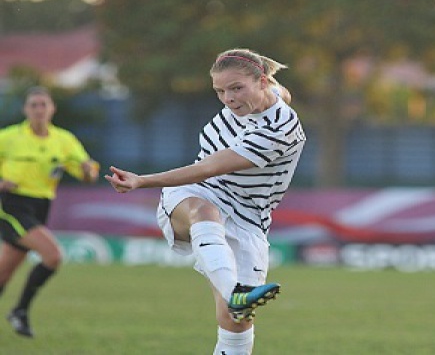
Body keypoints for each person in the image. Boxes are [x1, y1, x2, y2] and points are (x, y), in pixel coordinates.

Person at [105, 48, 306, 354]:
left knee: (236, 323)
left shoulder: (279, 130)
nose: (228, 99)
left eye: (236, 88)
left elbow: (211, 165)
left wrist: (142, 180)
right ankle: (234, 293)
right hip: (199, 191)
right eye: (220, 91)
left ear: (262, 81)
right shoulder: (268, 92)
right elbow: (205, 175)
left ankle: (235, 300)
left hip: (249, 219)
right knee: (203, 211)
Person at [0, 86, 99, 338]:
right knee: (52, 255)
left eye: (43, 104)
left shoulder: (64, 140)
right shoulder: (9, 137)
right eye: (34, 105)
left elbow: (87, 173)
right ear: (25, 110)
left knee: (3, 272)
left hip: (41, 206)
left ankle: (18, 313)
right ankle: (20, 310)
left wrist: (88, 170)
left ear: (52, 108)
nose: (39, 110)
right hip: (11, 205)